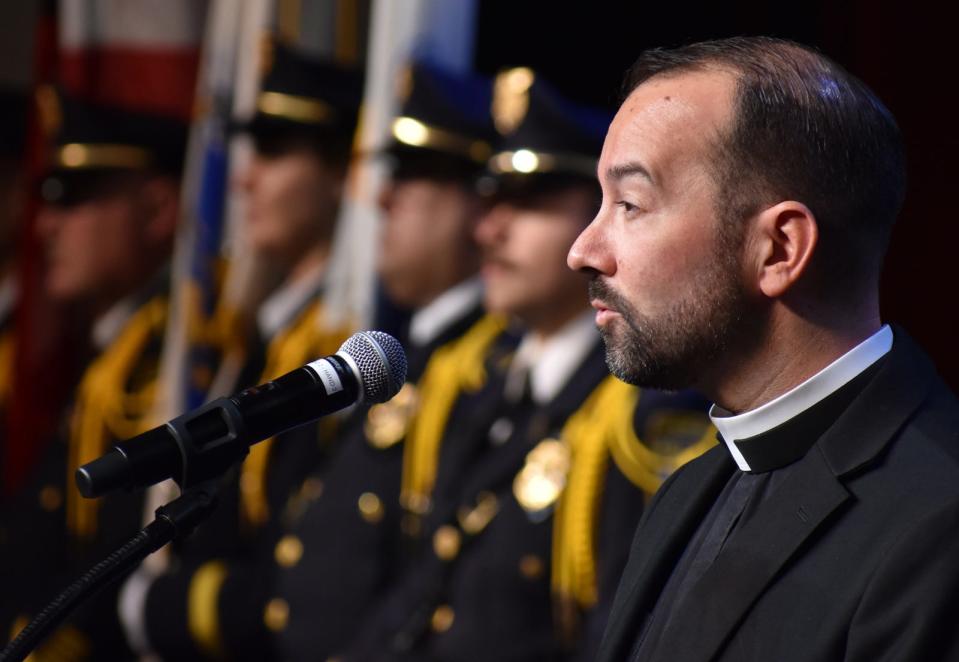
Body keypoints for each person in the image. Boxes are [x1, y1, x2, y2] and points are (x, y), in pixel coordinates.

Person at [566, 36, 959, 662]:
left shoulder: (938, 523)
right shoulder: (688, 491)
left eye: (630, 204)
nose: (583, 250)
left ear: (777, 249)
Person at [345, 67, 713, 662]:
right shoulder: (488, 389)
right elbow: (418, 596)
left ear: (601, 219)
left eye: (530, 203)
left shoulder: (638, 420)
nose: (489, 230)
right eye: (491, 202)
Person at [132, 41, 363, 661]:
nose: (245, 177)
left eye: (276, 149)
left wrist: (152, 609)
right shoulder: (262, 333)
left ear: (344, 171)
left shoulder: (345, 342)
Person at [269, 60, 502, 660]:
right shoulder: (402, 354)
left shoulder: (486, 373)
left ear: (482, 207)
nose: (381, 196)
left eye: (414, 173)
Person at [1, 90, 186, 660]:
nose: (47, 226)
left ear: (157, 210)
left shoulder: (170, 364)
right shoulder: (106, 358)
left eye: (75, 197)